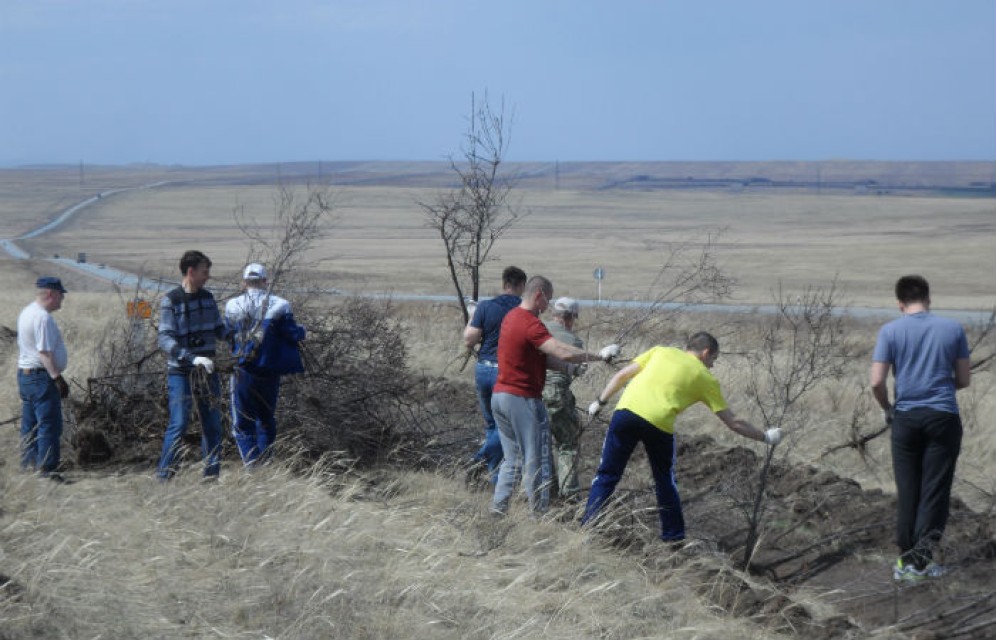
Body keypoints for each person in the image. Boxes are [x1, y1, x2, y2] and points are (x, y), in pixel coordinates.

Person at [582, 332, 781, 542]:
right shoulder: (705, 378)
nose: (712, 365)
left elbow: (621, 376)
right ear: (705, 353)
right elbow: (733, 422)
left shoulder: (660, 351)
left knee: (607, 474)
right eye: (713, 359)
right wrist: (765, 437)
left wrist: (600, 402)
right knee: (665, 480)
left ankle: (588, 528)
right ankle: (673, 537)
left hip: (625, 414)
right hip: (658, 424)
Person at [491, 275, 620, 516]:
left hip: (500, 396)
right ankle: (538, 516)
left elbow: (543, 357)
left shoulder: (511, 317)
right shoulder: (530, 322)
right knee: (536, 460)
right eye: (547, 300)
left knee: (512, 460)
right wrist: (598, 355)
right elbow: (560, 350)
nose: (548, 307)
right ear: (538, 295)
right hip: (523, 398)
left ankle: (498, 510)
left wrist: (568, 369)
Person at [870, 275, 971, 581]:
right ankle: (921, 563)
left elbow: (876, 382)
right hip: (943, 417)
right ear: (928, 298)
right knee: (934, 491)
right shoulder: (953, 329)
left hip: (906, 418)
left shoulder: (890, 330)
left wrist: (889, 409)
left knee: (908, 489)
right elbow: (964, 380)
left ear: (900, 303)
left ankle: (905, 560)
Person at [156, 250, 229, 481]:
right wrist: (191, 358)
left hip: (207, 371)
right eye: (204, 272)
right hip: (181, 372)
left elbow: (219, 329)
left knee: (213, 425)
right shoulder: (171, 301)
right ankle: (165, 476)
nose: (208, 276)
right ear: (191, 272)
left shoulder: (208, 298)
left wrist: (241, 335)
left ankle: (211, 476)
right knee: (179, 423)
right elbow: (165, 339)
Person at [225, 262, 306, 466]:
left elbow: (227, 335)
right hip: (270, 372)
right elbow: (293, 334)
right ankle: (265, 463)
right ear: (264, 281)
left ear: (244, 282)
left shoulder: (232, 305)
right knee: (266, 419)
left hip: (243, 370)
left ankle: (252, 466)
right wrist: (303, 331)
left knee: (242, 424)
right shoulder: (281, 304)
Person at [463, 265, 527, 481]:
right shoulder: (524, 310)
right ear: (521, 285)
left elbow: (469, 339)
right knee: (507, 426)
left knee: (493, 425)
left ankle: (495, 478)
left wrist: (473, 317)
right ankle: (477, 459)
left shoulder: (485, 306)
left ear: (504, 284)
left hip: (483, 369)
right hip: (506, 373)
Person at [17, 276, 70, 480]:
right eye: (60, 296)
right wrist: (58, 378)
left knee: (30, 424)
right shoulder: (42, 318)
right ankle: (48, 471)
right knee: (49, 425)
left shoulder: (27, 311)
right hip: (40, 378)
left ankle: (29, 466)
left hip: (26, 375)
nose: (62, 300)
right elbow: (44, 353)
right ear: (51, 294)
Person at [542, 297, 586, 499]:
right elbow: (580, 369)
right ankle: (568, 494)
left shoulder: (539, 329)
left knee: (540, 444)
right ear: (571, 318)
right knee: (567, 445)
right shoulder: (574, 341)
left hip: (533, 393)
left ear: (554, 314)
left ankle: (542, 489)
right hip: (558, 396)